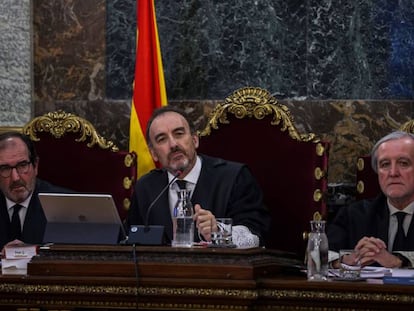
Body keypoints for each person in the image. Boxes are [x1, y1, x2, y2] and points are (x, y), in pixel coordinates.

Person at [126, 106, 270, 248]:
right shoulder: (146, 187)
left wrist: (218, 232)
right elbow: (130, 240)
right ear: (154, 154)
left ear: (195, 140)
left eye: (179, 133)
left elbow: (256, 235)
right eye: (162, 139)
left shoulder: (234, 177)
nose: (173, 144)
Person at [328, 131, 414, 268]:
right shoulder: (354, 214)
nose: (393, 173)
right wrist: (347, 260)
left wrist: (400, 262)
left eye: (403, 163)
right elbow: (316, 256)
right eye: (385, 164)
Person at [0, 131, 71, 251]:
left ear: (35, 166)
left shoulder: (65, 206)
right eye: (5, 168)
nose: (15, 178)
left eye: (22, 165)